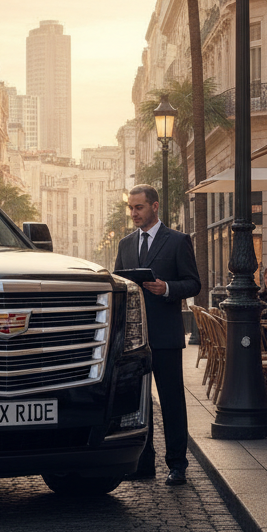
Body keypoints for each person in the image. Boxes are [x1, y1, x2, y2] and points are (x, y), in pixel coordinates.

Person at [114, 184, 201, 486]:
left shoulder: (178, 241)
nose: (134, 213)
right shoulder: (126, 244)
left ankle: (177, 464)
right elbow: (118, 286)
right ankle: (143, 462)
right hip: (135, 340)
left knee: (171, 401)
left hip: (165, 337)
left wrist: (166, 288)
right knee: (140, 402)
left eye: (138, 207)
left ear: (154, 206)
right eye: (131, 208)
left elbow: (193, 283)